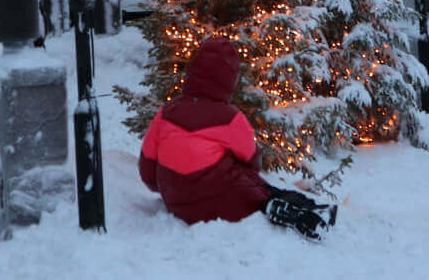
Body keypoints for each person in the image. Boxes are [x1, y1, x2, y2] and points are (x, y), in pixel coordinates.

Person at [138, 35, 337, 238]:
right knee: (249, 185)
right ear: (229, 79)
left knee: (233, 173)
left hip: (174, 201)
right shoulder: (230, 117)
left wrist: (167, 187)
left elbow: (147, 169)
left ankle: (300, 206)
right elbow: (252, 162)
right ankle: (292, 209)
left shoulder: (166, 112)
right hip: (215, 204)